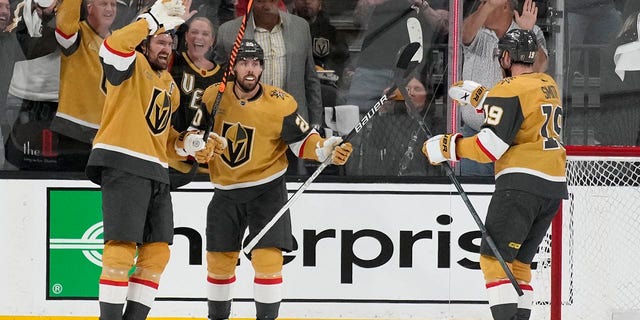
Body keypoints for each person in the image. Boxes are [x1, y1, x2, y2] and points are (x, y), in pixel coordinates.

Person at [84, 1, 224, 319]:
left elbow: (166, 139)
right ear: (145, 42)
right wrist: (151, 19)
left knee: (158, 252)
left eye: (170, 41)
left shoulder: (170, 86)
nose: (167, 46)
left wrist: (191, 143)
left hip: (157, 172)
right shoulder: (128, 63)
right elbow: (112, 46)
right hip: (123, 163)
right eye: (160, 40)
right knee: (121, 248)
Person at [200, 39, 353, 320]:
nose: (250, 69)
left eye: (256, 63)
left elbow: (303, 141)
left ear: (262, 68)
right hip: (225, 191)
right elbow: (197, 138)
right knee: (219, 261)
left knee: (268, 259)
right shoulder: (213, 97)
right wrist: (199, 148)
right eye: (244, 63)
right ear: (234, 67)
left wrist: (325, 149)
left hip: (267, 190)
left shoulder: (279, 103)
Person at [422, 29, 567, 320]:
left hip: (520, 186)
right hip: (552, 188)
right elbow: (523, 107)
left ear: (505, 56)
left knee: (493, 260)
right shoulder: (548, 84)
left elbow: (490, 148)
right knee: (519, 265)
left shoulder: (508, 90)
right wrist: (483, 98)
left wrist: (449, 146)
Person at [214, 0, 323, 175]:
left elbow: (310, 77)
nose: (267, 6)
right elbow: (219, 80)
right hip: (247, 124)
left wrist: (316, 122)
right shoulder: (229, 31)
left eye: (271, 0)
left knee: (291, 182)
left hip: (293, 122)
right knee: (248, 183)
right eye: (260, 1)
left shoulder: (300, 27)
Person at [343, 0, 448, 175]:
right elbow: (358, 17)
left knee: (406, 133)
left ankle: (407, 179)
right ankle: (350, 182)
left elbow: (445, 27)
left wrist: (423, 5)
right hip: (371, 67)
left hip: (413, 71)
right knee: (354, 130)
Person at [460, 0, 547, 176]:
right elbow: (463, 34)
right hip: (474, 134)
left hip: (514, 141)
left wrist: (526, 33)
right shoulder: (479, 30)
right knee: (471, 194)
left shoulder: (530, 31)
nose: (481, 8)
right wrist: (489, 6)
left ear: (506, 6)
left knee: (508, 198)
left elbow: (540, 67)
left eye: (486, 3)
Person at [50, 0, 117, 171]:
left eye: (113, 4)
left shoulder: (119, 40)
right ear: (89, 8)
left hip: (110, 134)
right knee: (74, 192)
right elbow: (65, 25)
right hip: (75, 133)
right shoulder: (77, 33)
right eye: (103, 4)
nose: (109, 9)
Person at [4, 0, 62, 170]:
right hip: (21, 97)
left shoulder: (74, 7)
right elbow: (25, 48)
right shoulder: (16, 6)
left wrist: (51, 16)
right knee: (18, 159)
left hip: (60, 98)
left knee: (59, 164)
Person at [168, 16, 224, 182]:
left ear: (212, 40)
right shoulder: (173, 61)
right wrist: (175, 22)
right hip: (173, 158)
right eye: (194, 32)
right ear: (185, 36)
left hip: (206, 162)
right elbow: (153, 43)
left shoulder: (223, 75)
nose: (199, 37)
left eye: (205, 34)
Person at [362, 70, 444, 176]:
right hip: (394, 179)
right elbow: (376, 145)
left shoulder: (436, 123)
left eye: (417, 89)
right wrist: (383, 110)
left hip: (425, 181)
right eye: (407, 89)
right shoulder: (393, 119)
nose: (411, 93)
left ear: (426, 95)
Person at [292, 0, 350, 109]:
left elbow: (341, 62)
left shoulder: (331, 33)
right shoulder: (284, 27)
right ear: (294, 2)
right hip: (290, 84)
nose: (307, 1)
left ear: (320, 4)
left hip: (323, 86)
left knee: (332, 96)